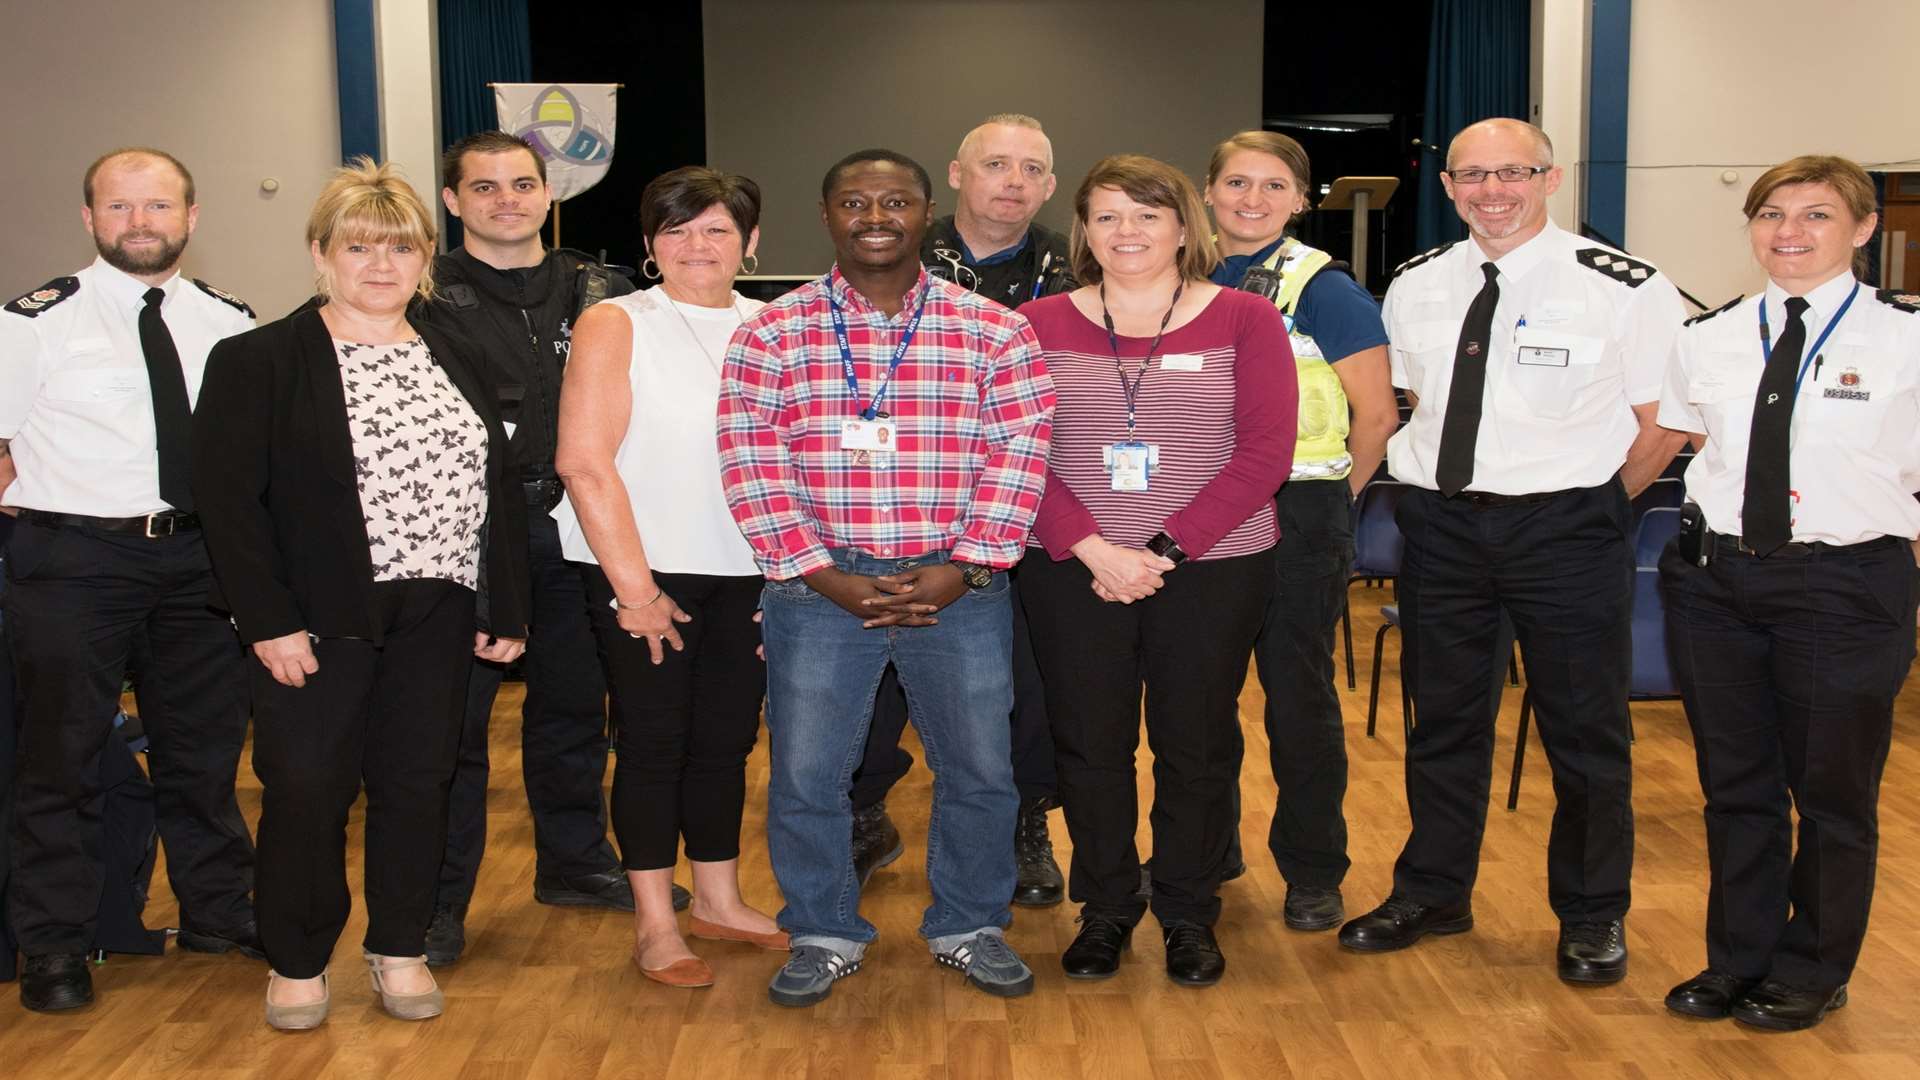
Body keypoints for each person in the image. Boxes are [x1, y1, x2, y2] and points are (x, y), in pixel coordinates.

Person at [1338, 119, 1687, 986]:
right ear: (1447, 185)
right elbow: (1414, 399)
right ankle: (1434, 892)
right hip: (1443, 527)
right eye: (1472, 175)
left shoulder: (1626, 286)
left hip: (1566, 531)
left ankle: (1592, 914)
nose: (1493, 191)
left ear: (1551, 177)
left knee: (1585, 733)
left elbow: (1665, 424)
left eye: (1513, 173)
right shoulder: (1417, 282)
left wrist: (1603, 507)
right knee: (1444, 725)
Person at [192, 158, 530, 1029]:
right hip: (317, 617)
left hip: (440, 609)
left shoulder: (457, 350)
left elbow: (498, 485)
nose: (380, 265)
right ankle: (299, 962)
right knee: (305, 788)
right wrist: (267, 622)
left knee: (419, 785)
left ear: (425, 259)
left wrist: (504, 606)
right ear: (320, 254)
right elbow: (229, 507)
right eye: (358, 247)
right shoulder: (257, 359)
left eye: (401, 247)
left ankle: (400, 948)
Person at [717, 148, 1055, 1007]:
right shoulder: (769, 330)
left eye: (896, 201)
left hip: (959, 590)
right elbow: (751, 457)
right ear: (826, 215)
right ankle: (824, 930)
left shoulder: (994, 330)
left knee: (979, 769)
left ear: (926, 212)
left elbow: (1021, 450)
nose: (876, 215)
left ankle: (969, 925)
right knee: (806, 773)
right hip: (817, 592)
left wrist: (970, 562)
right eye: (855, 201)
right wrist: (817, 571)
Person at [1657, 155, 1920, 1032]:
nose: (1789, 233)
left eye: (1815, 215)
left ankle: (1814, 965)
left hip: (1844, 583)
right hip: (1717, 582)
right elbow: (1696, 453)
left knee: (1833, 793)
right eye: (1771, 215)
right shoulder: (1711, 336)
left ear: (1861, 229)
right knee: (1736, 787)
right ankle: (1737, 958)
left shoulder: (1906, 338)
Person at [1020, 154, 1297, 987]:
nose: (1127, 233)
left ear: (1185, 227)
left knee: (1197, 744)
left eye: (1147, 215)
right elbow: (1017, 452)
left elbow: (1264, 453)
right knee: (1091, 745)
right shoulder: (1035, 323)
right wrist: (1095, 547)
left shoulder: (1248, 318)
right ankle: (1104, 908)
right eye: (1107, 217)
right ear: (1084, 231)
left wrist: (1164, 550)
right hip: (1073, 567)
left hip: (1212, 567)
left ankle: (1187, 910)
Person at [1, 148, 259, 1013]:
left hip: (196, 562)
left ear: (192, 217)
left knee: (204, 754)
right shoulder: (33, 322)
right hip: (74, 563)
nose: (138, 221)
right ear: (88, 218)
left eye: (157, 205)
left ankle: (219, 914)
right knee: (62, 760)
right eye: (119, 206)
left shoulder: (230, 322)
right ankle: (55, 946)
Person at [413, 131, 648, 967]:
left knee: (576, 707)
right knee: (453, 728)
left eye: (521, 184)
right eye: (484, 188)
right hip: (471, 539)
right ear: (453, 201)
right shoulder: (419, 292)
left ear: (549, 194)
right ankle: (436, 906)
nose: (505, 200)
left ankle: (575, 863)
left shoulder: (604, 287)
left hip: (580, 530)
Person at [553, 166, 786, 989]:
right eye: (677, 230)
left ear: (751, 243)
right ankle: (657, 923)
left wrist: (790, 579)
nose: (698, 246)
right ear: (651, 246)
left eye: (718, 229)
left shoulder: (778, 326)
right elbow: (583, 464)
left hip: (753, 572)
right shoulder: (618, 322)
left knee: (725, 744)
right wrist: (636, 591)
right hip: (642, 567)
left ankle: (718, 899)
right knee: (653, 745)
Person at [851, 113, 1076, 906]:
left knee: (1024, 682)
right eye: (996, 164)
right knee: (874, 680)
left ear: (1049, 185)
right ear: (956, 174)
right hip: (900, 507)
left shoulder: (1075, 265)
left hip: (1026, 512)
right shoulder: (895, 243)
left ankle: (1024, 822)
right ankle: (865, 812)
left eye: (1031, 169)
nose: (1013, 181)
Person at [1204, 130, 1398, 931]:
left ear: (1301, 200)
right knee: (1197, 701)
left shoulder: (1325, 288)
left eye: (1274, 186)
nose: (1254, 200)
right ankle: (1204, 856)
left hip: (1299, 514)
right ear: (1207, 190)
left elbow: (1378, 414)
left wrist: (1331, 511)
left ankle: (1314, 870)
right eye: (1238, 183)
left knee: (1297, 701)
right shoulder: (1177, 275)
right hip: (1199, 517)